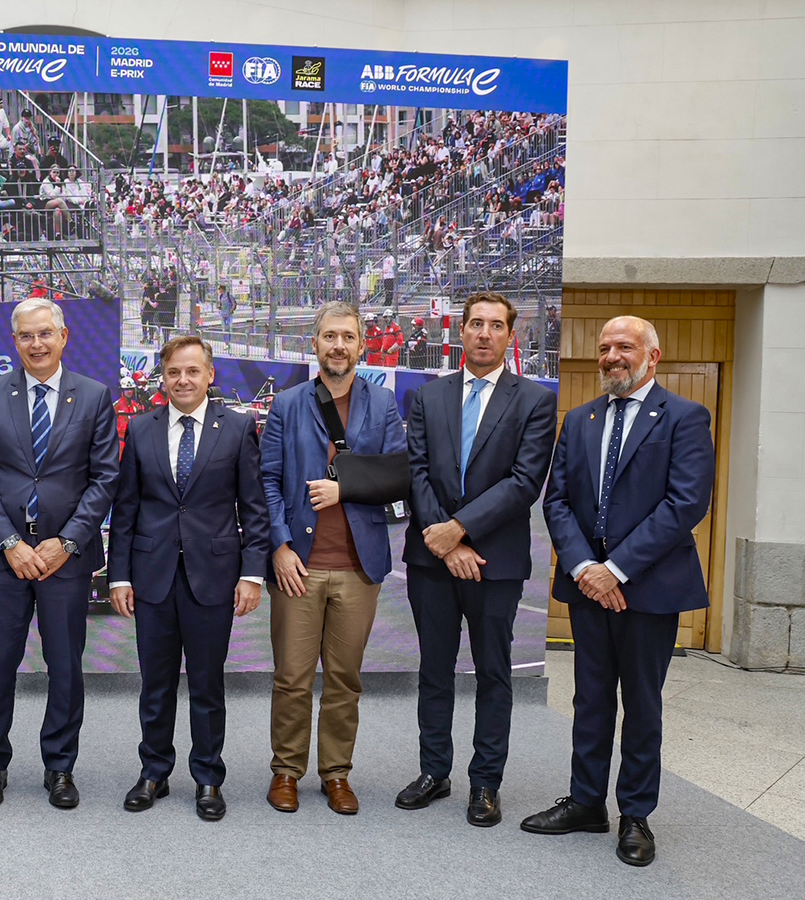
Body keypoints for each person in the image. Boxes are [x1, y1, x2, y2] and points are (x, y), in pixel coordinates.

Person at [522, 316, 715, 868]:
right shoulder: (579, 420)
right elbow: (556, 499)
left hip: (648, 590)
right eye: (604, 348)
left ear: (653, 356)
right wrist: (586, 566)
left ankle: (635, 813)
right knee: (591, 699)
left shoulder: (683, 417)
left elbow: (684, 504)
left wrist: (618, 569)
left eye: (624, 347)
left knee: (642, 704)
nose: (611, 356)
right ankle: (586, 802)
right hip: (589, 587)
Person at [396, 292, 558, 827]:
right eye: (475, 324)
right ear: (460, 332)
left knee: (493, 674)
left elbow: (524, 482)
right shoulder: (428, 396)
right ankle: (433, 771)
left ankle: (485, 783)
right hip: (432, 560)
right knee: (435, 670)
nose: (484, 333)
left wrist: (460, 531)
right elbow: (416, 471)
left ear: (511, 336)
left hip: (495, 562)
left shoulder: (533, 400)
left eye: (495, 325)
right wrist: (443, 541)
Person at [0, 298, 120, 811]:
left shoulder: (94, 397)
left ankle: (59, 767)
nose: (36, 344)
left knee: (66, 666)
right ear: (15, 342)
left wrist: (66, 541)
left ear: (63, 337)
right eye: (26, 336)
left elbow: (104, 479)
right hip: (1, 558)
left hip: (65, 559)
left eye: (45, 334)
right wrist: (10, 542)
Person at [108, 336, 270, 821]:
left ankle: (207, 778)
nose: (183, 380)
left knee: (206, 684)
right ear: (163, 375)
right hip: (151, 576)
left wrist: (252, 574)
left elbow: (255, 509)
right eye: (174, 372)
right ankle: (153, 772)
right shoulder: (140, 429)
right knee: (154, 684)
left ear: (210, 375)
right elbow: (126, 510)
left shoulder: (238, 429)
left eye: (193, 372)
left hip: (214, 578)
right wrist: (118, 577)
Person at [261, 300, 406, 815]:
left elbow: (396, 475)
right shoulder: (287, 403)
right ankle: (286, 772)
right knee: (292, 678)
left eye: (347, 336)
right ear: (315, 344)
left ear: (361, 344)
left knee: (345, 679)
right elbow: (268, 482)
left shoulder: (384, 404)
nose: (338, 346)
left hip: (357, 565)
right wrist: (278, 545)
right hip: (297, 563)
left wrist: (344, 490)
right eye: (329, 337)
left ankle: (336, 774)